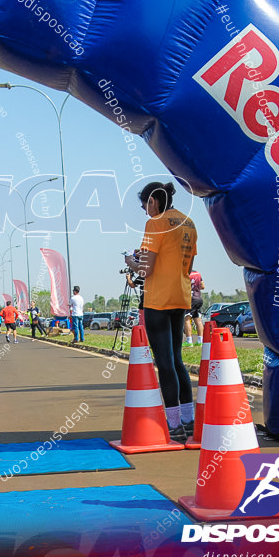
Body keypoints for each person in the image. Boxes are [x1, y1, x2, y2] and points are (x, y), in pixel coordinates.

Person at [124, 181, 198, 443]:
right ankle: (190, 422)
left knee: (164, 363)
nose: (145, 212)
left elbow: (146, 270)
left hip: (158, 300)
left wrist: (130, 262)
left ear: (154, 201)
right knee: (177, 361)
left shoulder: (155, 224)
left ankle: (175, 425)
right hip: (181, 296)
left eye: (145, 205)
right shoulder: (188, 222)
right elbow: (187, 264)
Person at [184, 269, 205, 346]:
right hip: (199, 298)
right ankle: (200, 341)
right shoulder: (198, 274)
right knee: (198, 320)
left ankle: (189, 341)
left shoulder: (186, 273)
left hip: (190, 299)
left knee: (187, 319)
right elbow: (203, 286)